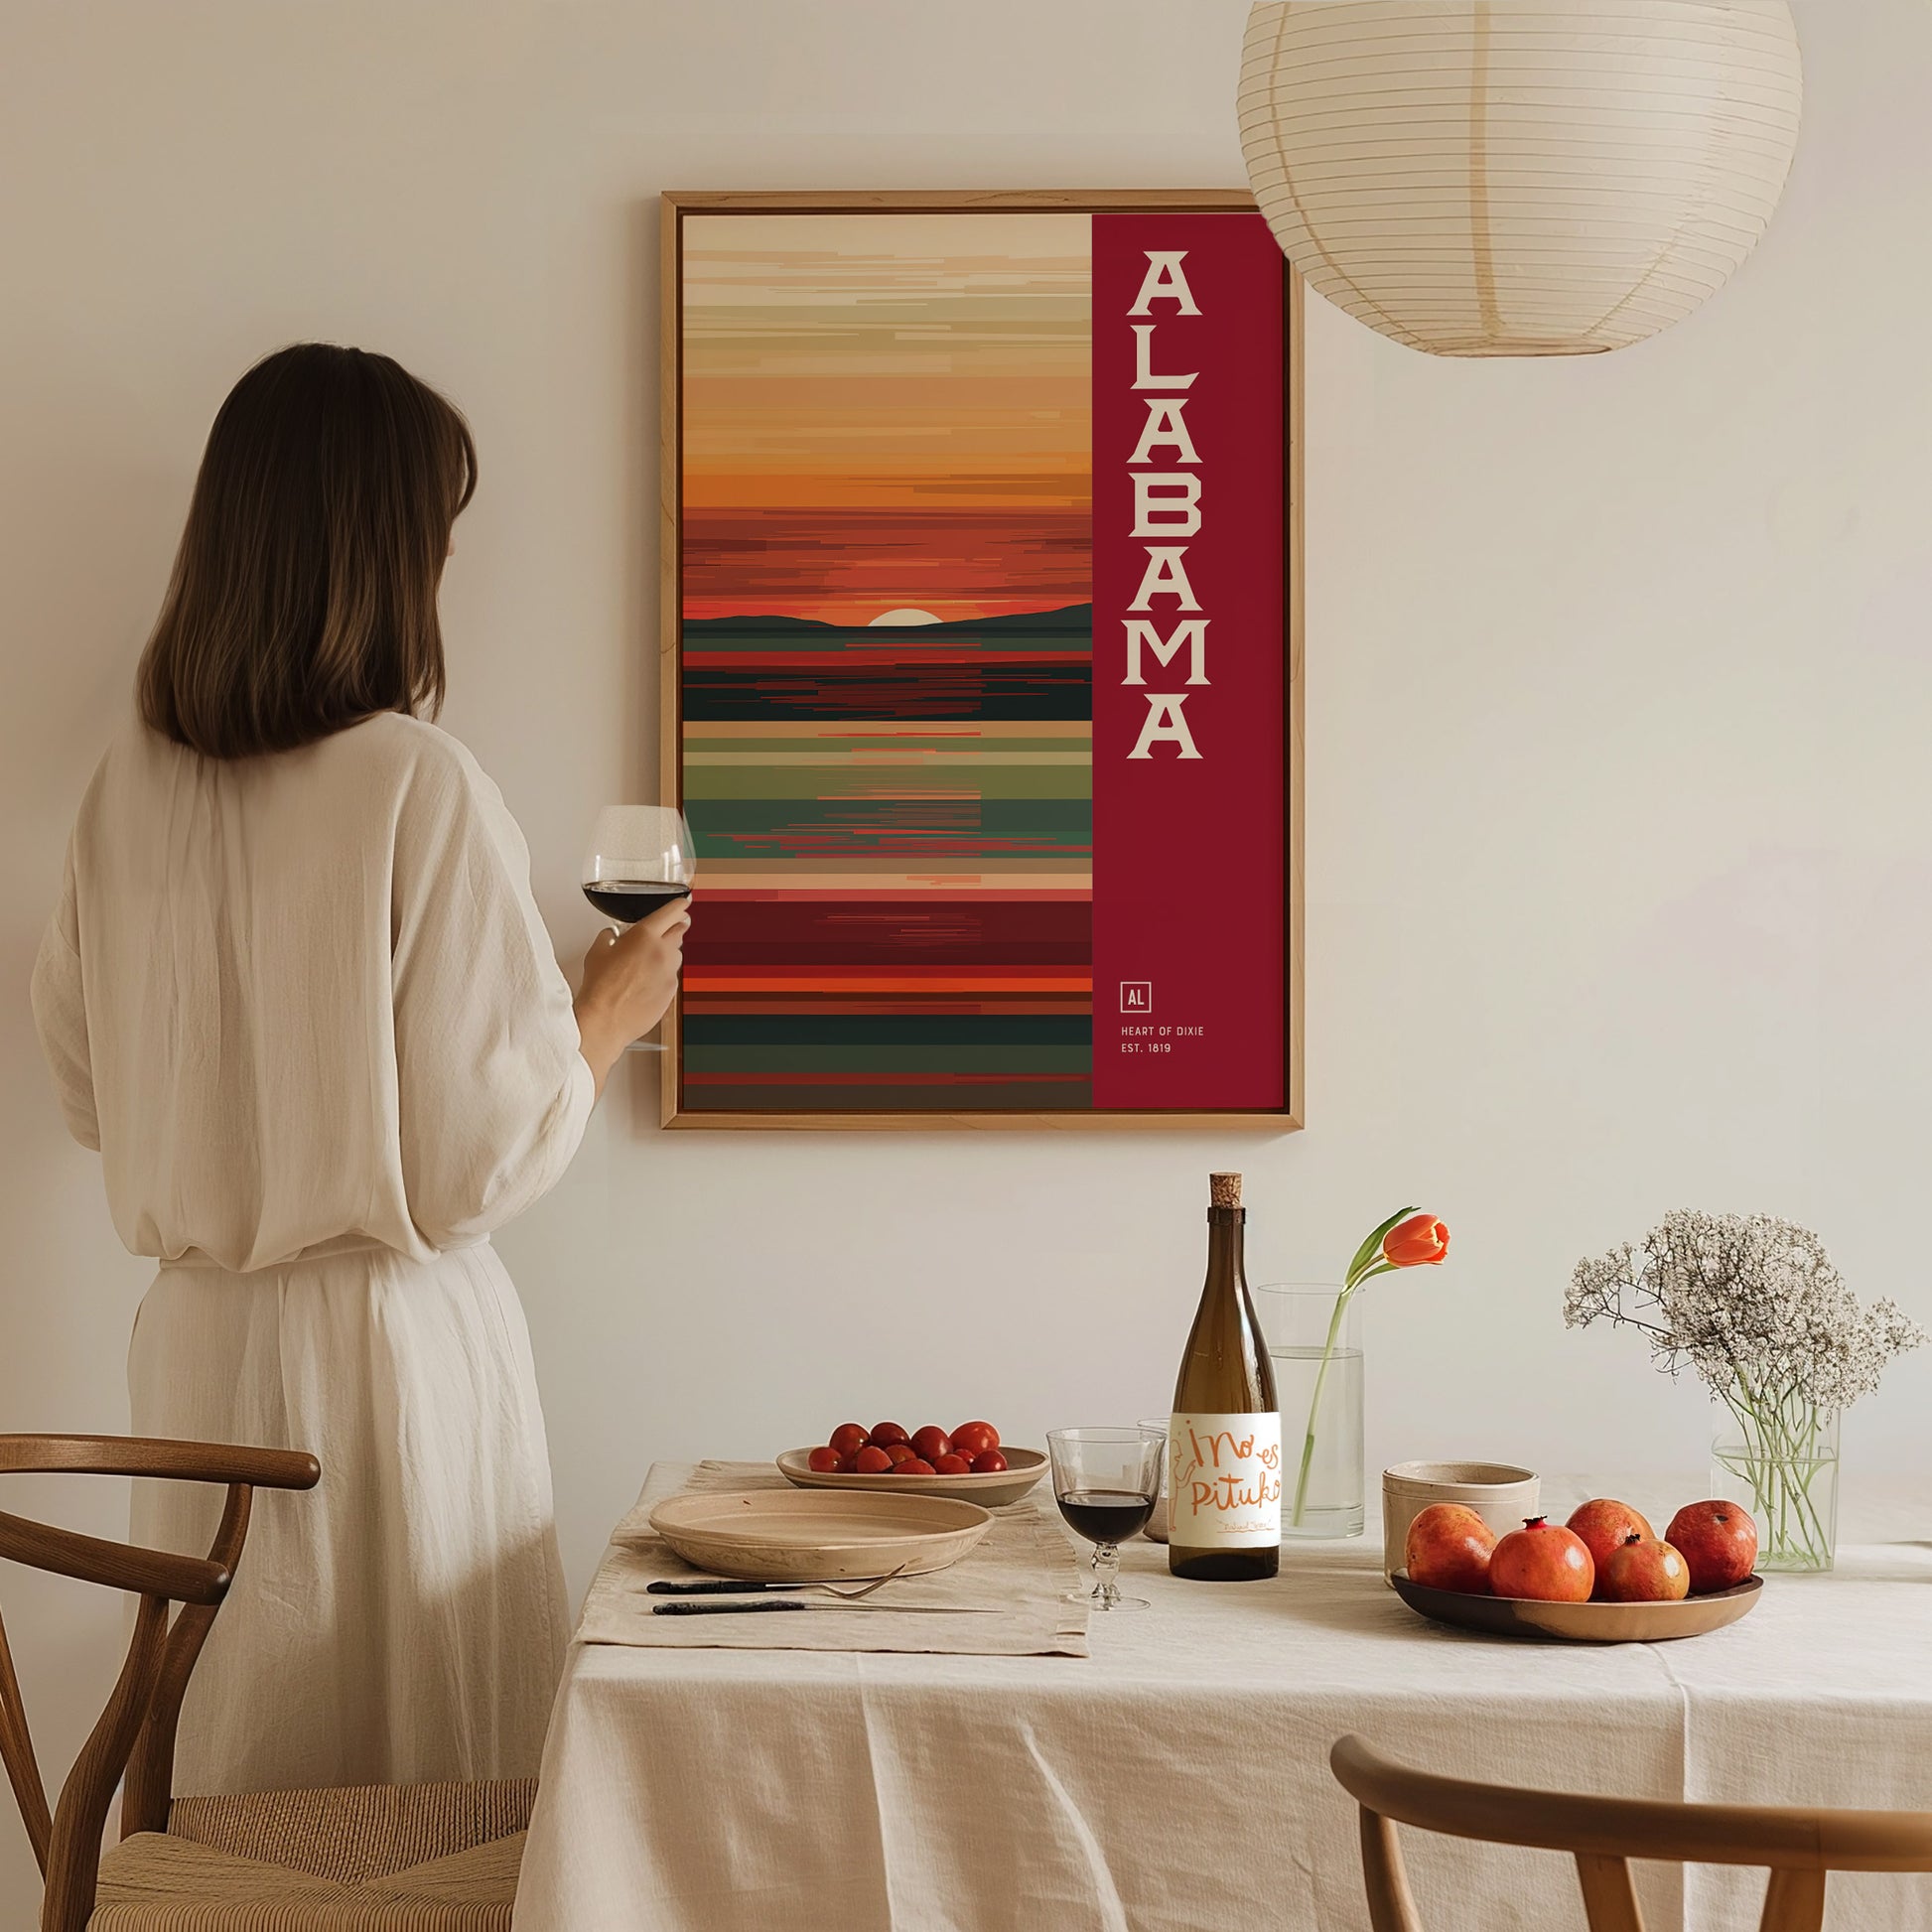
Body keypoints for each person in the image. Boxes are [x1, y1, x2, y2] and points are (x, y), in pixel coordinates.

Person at [29, 343, 684, 1793]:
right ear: (384, 553)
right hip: (387, 1364)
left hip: (197, 1353)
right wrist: (602, 1013)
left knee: (239, 1780)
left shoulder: (122, 792)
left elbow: (86, 1093)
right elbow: (471, 1165)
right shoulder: (414, 780)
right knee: (420, 1799)